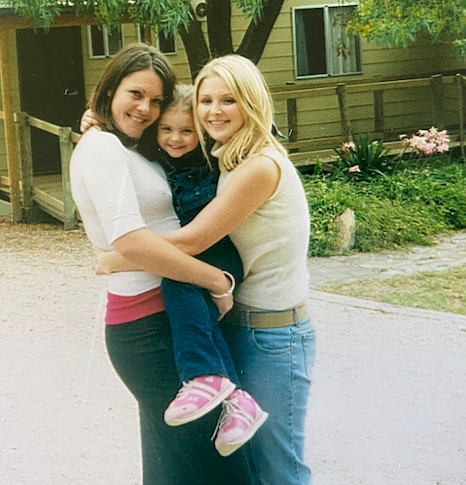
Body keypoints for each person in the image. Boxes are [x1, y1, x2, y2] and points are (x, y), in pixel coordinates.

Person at [96, 54, 316, 484]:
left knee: (278, 468)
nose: (213, 111)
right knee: (247, 463)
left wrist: (120, 256)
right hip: (240, 322)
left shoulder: (259, 166)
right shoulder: (227, 158)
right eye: (206, 100)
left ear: (251, 102)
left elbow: (195, 240)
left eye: (228, 100)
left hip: (273, 335)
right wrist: (98, 120)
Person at [68, 43, 251, 484]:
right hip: (146, 327)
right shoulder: (103, 148)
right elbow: (129, 240)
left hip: (171, 317)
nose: (145, 108)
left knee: (178, 462)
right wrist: (215, 280)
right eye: (135, 94)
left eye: (154, 99)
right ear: (109, 88)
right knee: (215, 461)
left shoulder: (131, 149)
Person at [136, 84, 268, 456]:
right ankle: (239, 400)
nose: (176, 139)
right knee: (200, 317)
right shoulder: (155, 158)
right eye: (166, 130)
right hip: (195, 252)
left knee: (176, 284)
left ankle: (203, 376)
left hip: (221, 252)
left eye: (186, 130)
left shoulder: (213, 158)